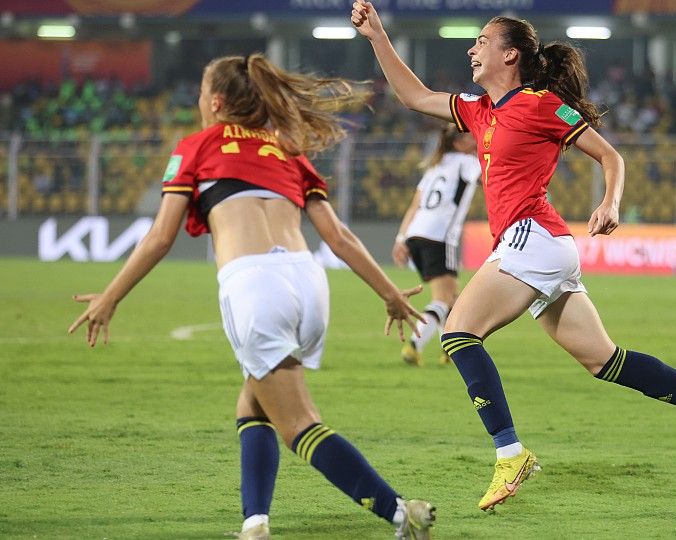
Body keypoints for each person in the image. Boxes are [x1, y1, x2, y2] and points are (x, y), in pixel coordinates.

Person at [351, 1, 676, 513]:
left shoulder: (543, 104)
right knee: (605, 361)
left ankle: (510, 452)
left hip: (534, 238)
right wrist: (377, 37)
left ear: (511, 55)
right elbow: (413, 95)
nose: (471, 48)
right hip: (538, 247)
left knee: (458, 332)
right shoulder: (478, 111)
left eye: (481, 40)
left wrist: (609, 201)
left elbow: (611, 155)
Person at [68, 53, 435, 540]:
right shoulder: (288, 150)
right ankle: (255, 523)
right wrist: (389, 293)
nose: (199, 101)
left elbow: (160, 237)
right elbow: (339, 237)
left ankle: (398, 513)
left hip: (254, 283)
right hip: (309, 282)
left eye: (201, 93)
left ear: (216, 102)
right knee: (253, 403)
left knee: (299, 423)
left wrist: (111, 296)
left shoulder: (197, 146)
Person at [393, 125, 481, 366]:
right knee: (443, 300)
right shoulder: (466, 162)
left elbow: (414, 205)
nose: (475, 137)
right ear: (458, 143)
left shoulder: (435, 167)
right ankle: (414, 346)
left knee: (453, 297)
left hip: (415, 235)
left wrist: (401, 239)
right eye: (470, 135)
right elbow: (491, 175)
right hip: (441, 236)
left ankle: (451, 351)